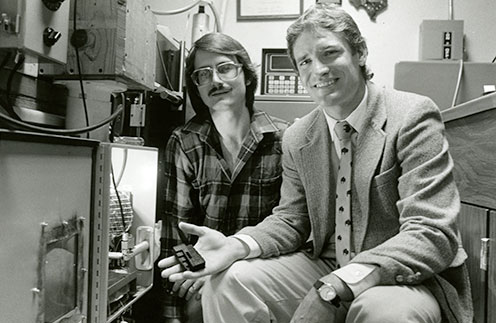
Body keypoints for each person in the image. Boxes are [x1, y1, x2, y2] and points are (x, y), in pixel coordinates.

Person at [159, 4, 473, 323]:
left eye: (329, 53)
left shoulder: (411, 116)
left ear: (360, 52)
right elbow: (291, 219)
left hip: (399, 275)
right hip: (327, 265)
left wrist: (338, 285)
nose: (318, 70)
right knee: (230, 281)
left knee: (382, 313)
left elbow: (432, 232)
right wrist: (236, 246)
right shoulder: (298, 135)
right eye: (305, 61)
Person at [160, 32, 289, 323]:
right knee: (198, 304)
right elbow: (175, 236)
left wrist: (226, 267)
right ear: (197, 88)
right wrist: (172, 318)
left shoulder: (285, 139)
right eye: (203, 74)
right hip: (201, 276)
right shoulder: (185, 142)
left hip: (263, 272)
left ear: (246, 75)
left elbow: (293, 229)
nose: (215, 81)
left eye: (225, 68)